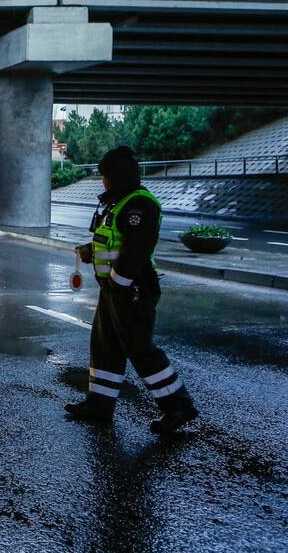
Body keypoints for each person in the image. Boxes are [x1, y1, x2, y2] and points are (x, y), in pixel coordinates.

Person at [67, 146, 198, 434]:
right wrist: (90, 251)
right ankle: (99, 406)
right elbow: (114, 243)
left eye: (105, 176)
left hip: (131, 290)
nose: (103, 182)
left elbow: (136, 251)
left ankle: (178, 407)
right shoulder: (119, 202)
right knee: (105, 347)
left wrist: (118, 283)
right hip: (114, 290)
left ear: (115, 176)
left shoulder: (140, 205)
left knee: (140, 350)